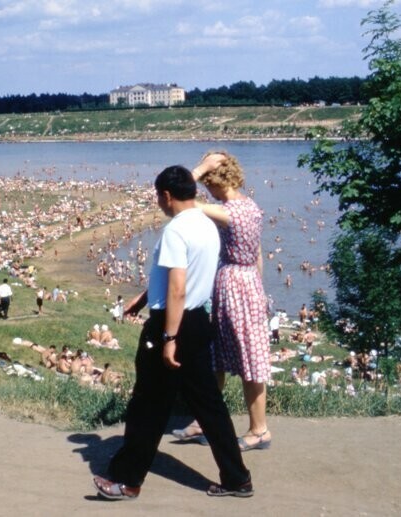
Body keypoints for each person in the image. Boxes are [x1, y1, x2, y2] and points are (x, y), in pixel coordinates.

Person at [92, 165, 252, 501]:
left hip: (173, 324)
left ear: (166, 195)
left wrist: (169, 338)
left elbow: (178, 287)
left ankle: (128, 479)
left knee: (147, 405)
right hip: (198, 321)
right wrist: (145, 297)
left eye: (158, 196)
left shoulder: (175, 231)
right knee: (210, 406)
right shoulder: (207, 225)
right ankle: (237, 479)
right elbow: (183, 279)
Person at [173, 151, 272, 452]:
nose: (206, 192)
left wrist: (199, 168)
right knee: (217, 355)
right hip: (246, 283)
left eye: (208, 186)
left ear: (215, 183)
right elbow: (257, 254)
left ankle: (259, 430)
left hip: (234, 284)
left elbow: (180, 197)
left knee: (248, 359)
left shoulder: (229, 212)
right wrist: (257, 290)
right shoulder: (251, 208)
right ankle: (205, 419)